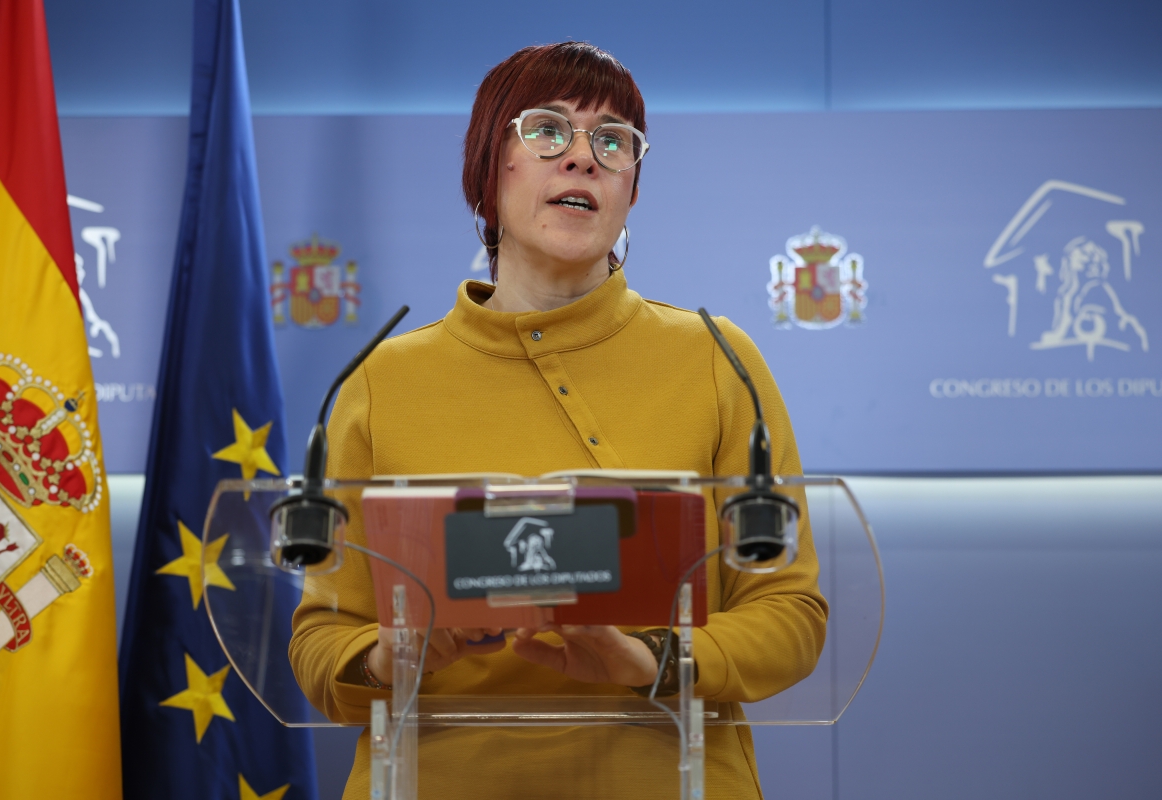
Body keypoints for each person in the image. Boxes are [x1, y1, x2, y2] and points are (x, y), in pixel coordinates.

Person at [289, 41, 827, 799]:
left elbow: (789, 613)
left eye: (613, 141)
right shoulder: (380, 379)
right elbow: (320, 640)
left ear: (632, 189)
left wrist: (652, 661)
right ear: (486, 170)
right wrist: (396, 654)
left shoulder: (716, 359)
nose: (583, 157)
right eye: (547, 130)